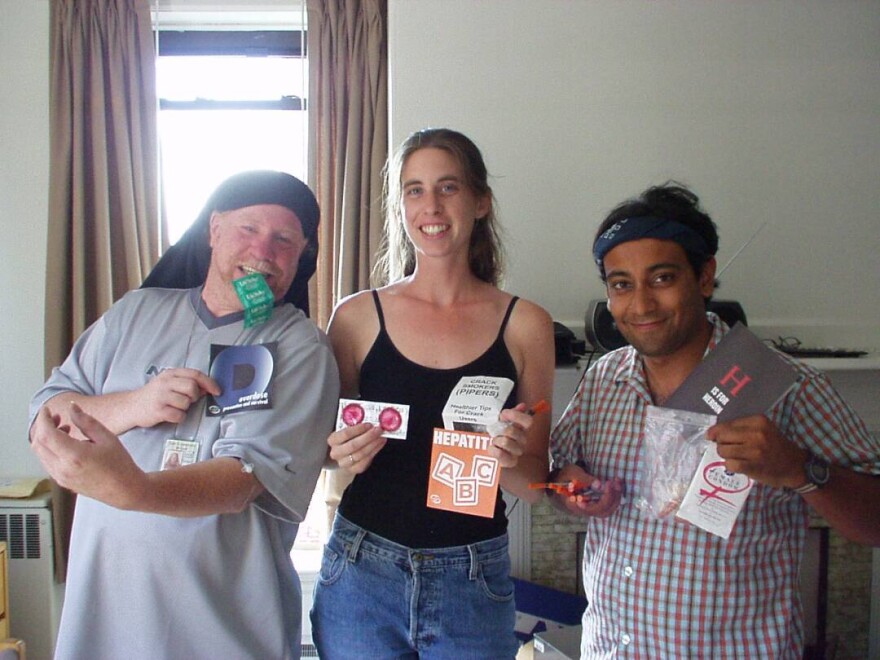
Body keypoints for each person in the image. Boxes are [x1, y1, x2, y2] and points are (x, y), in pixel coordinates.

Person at [548, 182, 880, 658]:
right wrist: (570, 491)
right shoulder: (603, 380)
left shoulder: (782, 385)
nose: (640, 305)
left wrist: (800, 470)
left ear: (704, 277)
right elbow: (558, 477)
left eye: (661, 278)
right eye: (622, 284)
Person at [28, 171, 340, 660]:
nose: (264, 251)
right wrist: (135, 403)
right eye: (248, 228)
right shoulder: (134, 313)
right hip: (105, 612)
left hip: (222, 624)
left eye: (284, 239)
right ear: (213, 230)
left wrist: (134, 490)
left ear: (301, 256)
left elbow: (244, 477)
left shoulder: (301, 348)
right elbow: (49, 414)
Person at [309, 128, 555, 659]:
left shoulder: (526, 325)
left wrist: (505, 459)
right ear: (400, 206)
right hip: (360, 569)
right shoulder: (355, 317)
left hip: (472, 576)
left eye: (448, 187)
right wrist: (337, 452)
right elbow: (324, 453)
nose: (431, 205)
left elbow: (534, 484)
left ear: (480, 201)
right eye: (414, 190)